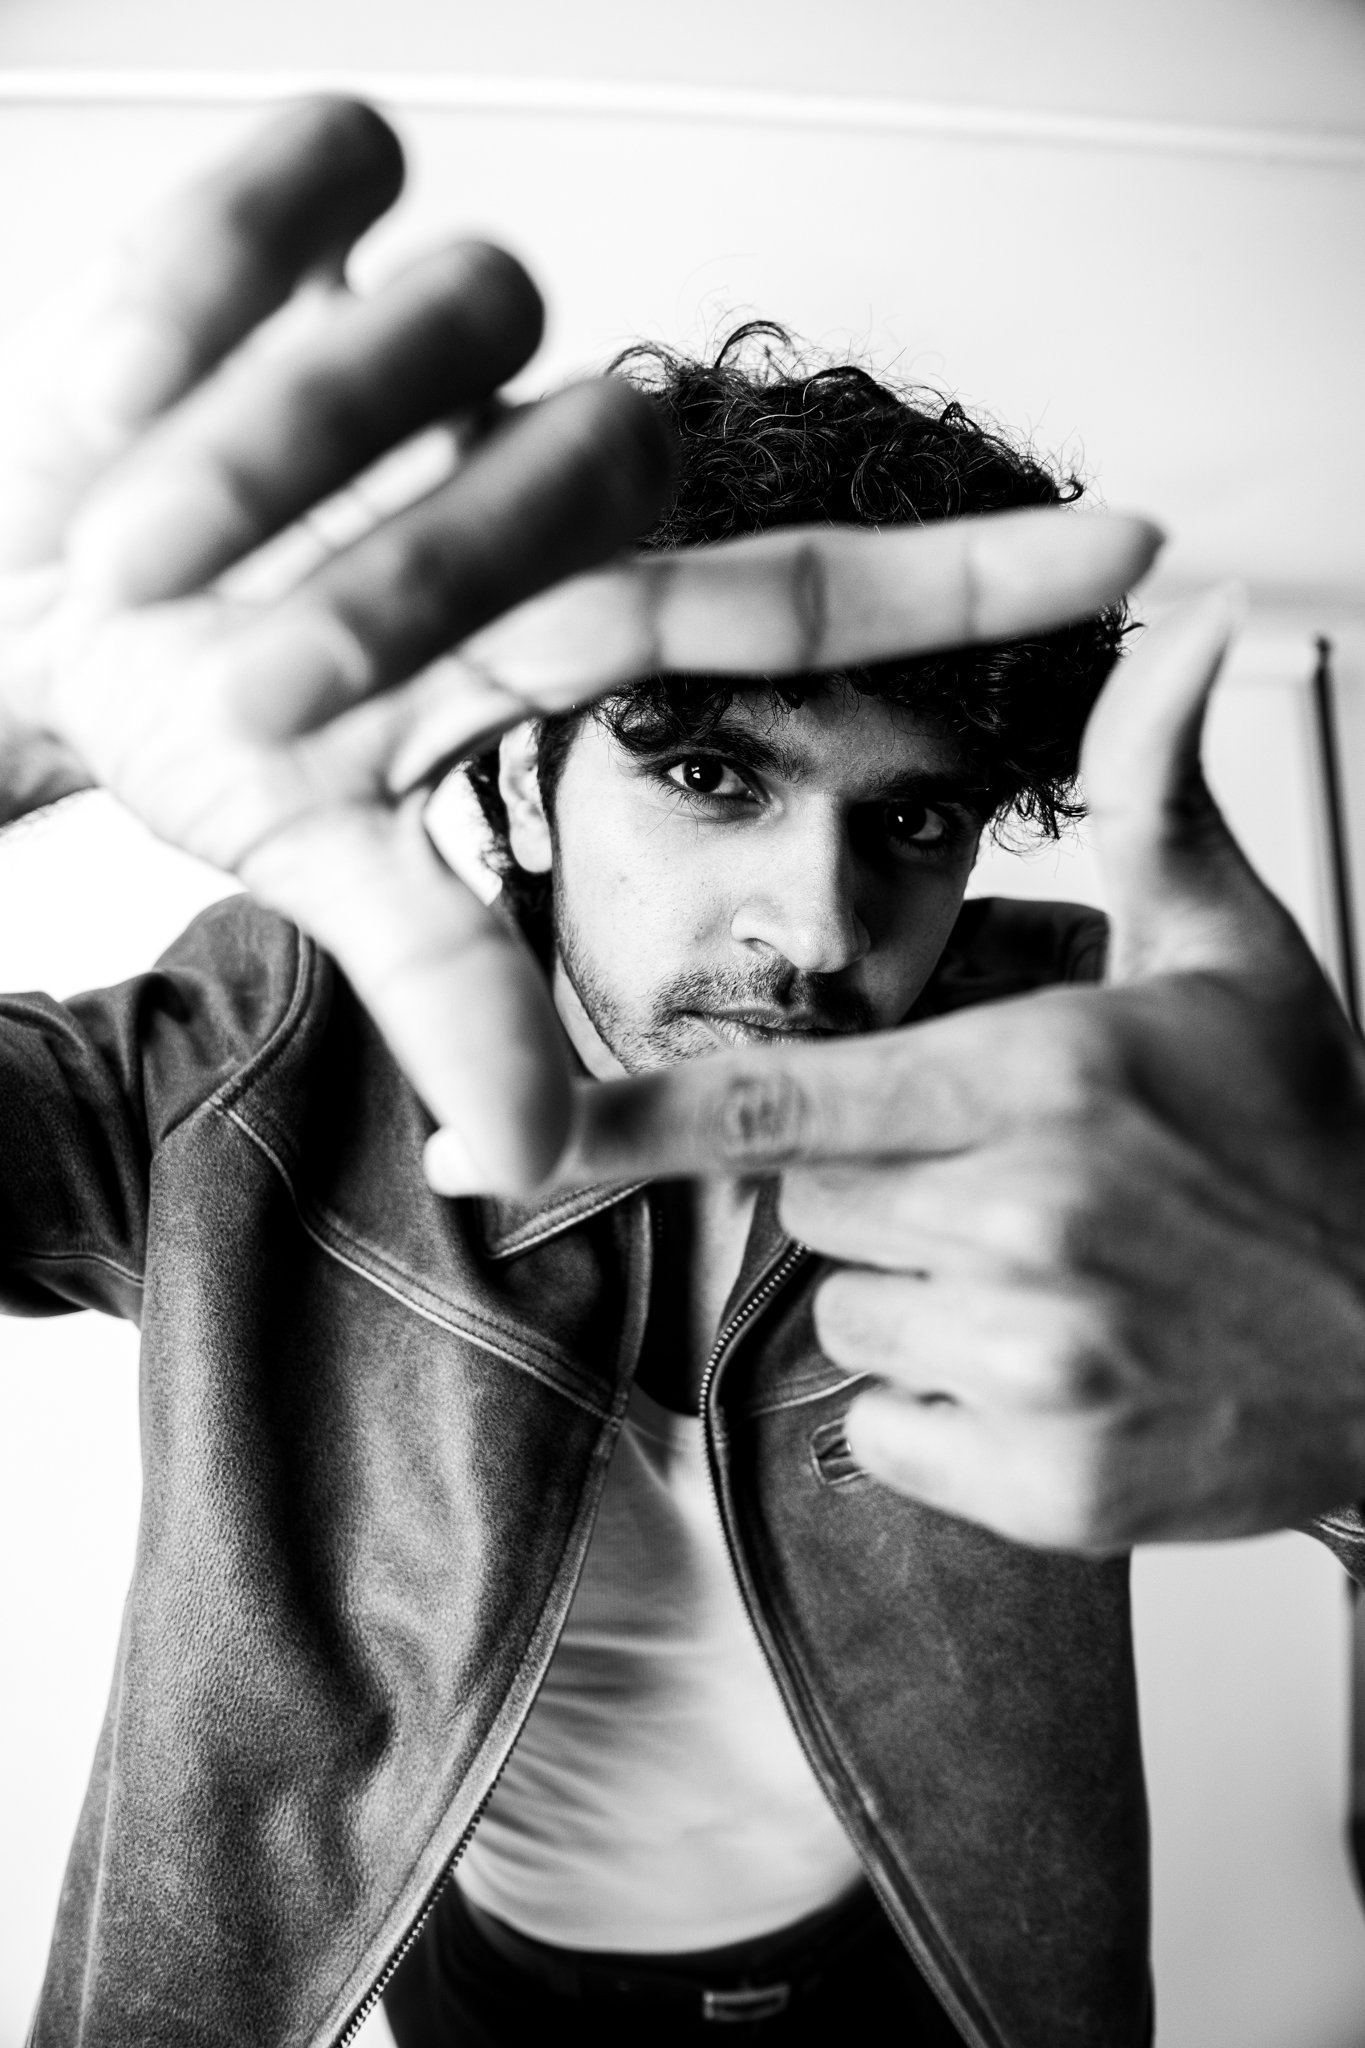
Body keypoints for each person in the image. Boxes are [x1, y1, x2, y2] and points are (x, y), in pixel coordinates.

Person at [3, 95, 1362, 2048]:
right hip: (493, 1987)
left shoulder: (1079, 1068)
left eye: (909, 823)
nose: (812, 925)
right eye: (710, 777)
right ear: (516, 776)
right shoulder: (262, 1061)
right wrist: (10, 728)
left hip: (943, 1982)